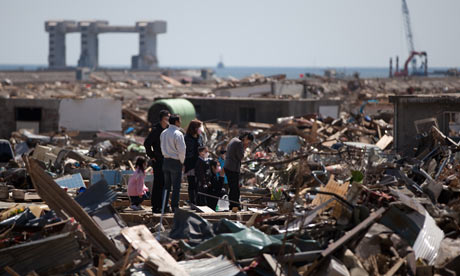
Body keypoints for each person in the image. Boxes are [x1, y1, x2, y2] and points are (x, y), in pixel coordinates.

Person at [144, 110, 170, 213]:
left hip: (167, 159)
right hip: (158, 160)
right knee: (158, 183)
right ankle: (156, 206)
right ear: (162, 119)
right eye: (167, 118)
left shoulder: (168, 130)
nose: (168, 120)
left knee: (166, 184)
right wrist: (152, 156)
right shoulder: (156, 130)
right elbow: (147, 143)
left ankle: (164, 205)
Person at [160, 114, 186, 212]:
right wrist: (182, 162)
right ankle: (174, 207)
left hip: (165, 161)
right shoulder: (178, 134)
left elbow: (162, 146)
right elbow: (182, 150)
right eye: (180, 120)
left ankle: (165, 206)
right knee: (176, 187)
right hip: (175, 161)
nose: (181, 122)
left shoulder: (163, 133)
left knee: (166, 186)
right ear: (176, 122)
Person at [224, 132, 254, 210]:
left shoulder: (234, 139)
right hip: (232, 168)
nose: (248, 143)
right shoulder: (239, 143)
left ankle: (233, 205)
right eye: (248, 141)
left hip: (229, 167)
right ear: (246, 138)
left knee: (232, 187)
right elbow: (240, 156)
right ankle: (235, 206)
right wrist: (244, 148)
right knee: (235, 189)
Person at [184, 120, 204, 205]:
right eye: (199, 127)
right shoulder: (186, 137)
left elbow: (202, 148)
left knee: (199, 184)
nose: (200, 129)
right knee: (192, 183)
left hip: (199, 163)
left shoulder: (200, 137)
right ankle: (192, 201)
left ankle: (198, 201)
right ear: (194, 128)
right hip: (190, 163)